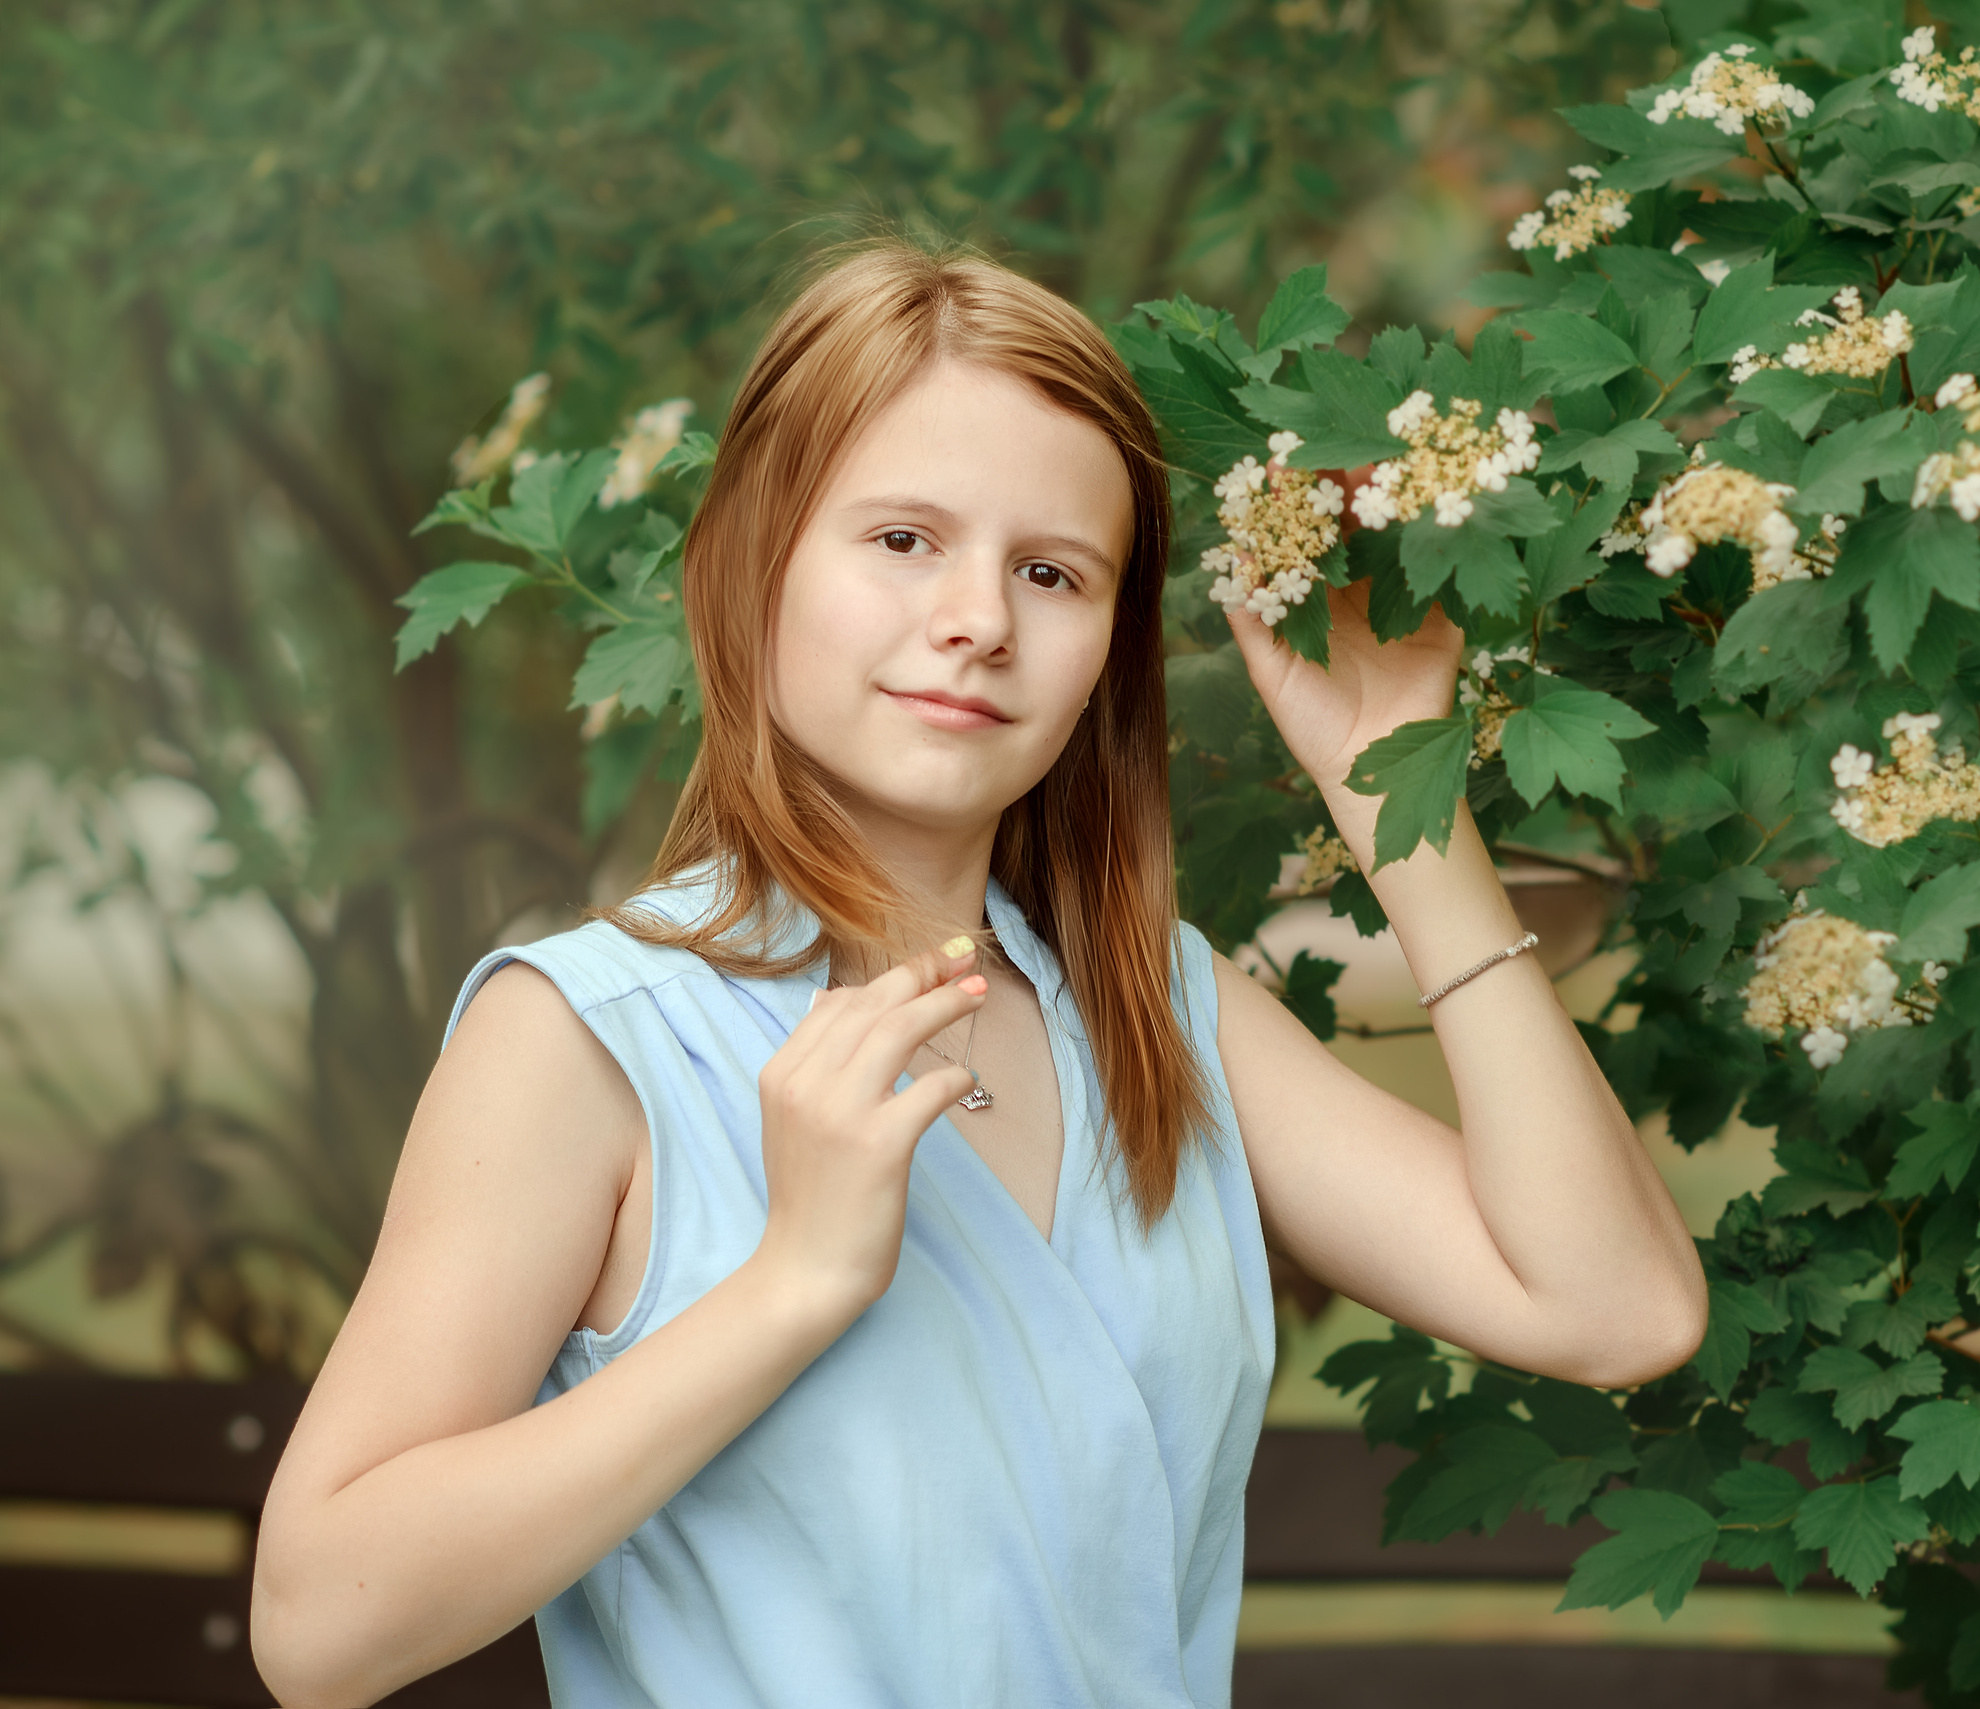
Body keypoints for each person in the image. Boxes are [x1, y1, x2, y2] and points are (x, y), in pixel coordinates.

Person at [249, 240, 1707, 1709]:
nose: (978, 620)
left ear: (1103, 656)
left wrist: (1401, 789)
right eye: (901, 539)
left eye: (1051, 571)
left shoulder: (1163, 1010)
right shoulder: (590, 1039)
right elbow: (318, 1630)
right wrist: (793, 1286)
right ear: (753, 561)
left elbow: (1616, 1311)